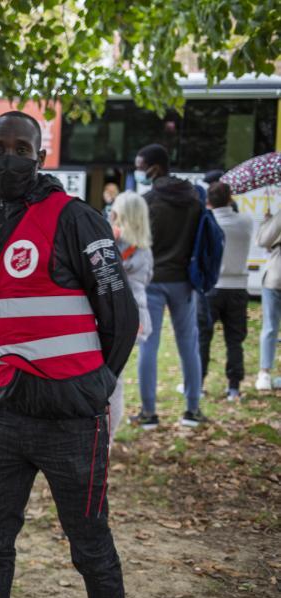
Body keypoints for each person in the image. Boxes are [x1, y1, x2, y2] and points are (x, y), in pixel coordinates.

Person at [0, 111, 138, 598]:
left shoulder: (76, 218)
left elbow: (121, 318)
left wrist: (94, 386)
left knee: (90, 547)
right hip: (5, 418)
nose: (8, 158)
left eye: (21, 148)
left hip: (71, 421)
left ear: (40, 157)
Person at [131, 143, 206, 428]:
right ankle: (192, 410)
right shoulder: (194, 199)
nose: (138, 171)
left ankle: (149, 414)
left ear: (155, 167)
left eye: (140, 166)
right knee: (189, 344)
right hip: (184, 281)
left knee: (149, 344)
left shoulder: (147, 201)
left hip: (151, 281)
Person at [197, 182, 254, 401]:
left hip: (211, 289)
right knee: (234, 340)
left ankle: (199, 385)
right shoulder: (246, 222)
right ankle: (234, 387)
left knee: (203, 338)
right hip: (238, 288)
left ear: (208, 201)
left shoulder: (208, 223)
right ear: (231, 198)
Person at [106, 191, 154, 440]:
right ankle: (109, 436)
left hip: (115, 318)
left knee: (108, 379)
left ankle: (105, 436)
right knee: (116, 378)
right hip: (138, 319)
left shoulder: (112, 241)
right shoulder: (144, 248)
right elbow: (147, 279)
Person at [256, 206, 281, 391]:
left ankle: (264, 373)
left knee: (270, 326)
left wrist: (267, 221)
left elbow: (263, 240)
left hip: (277, 275)